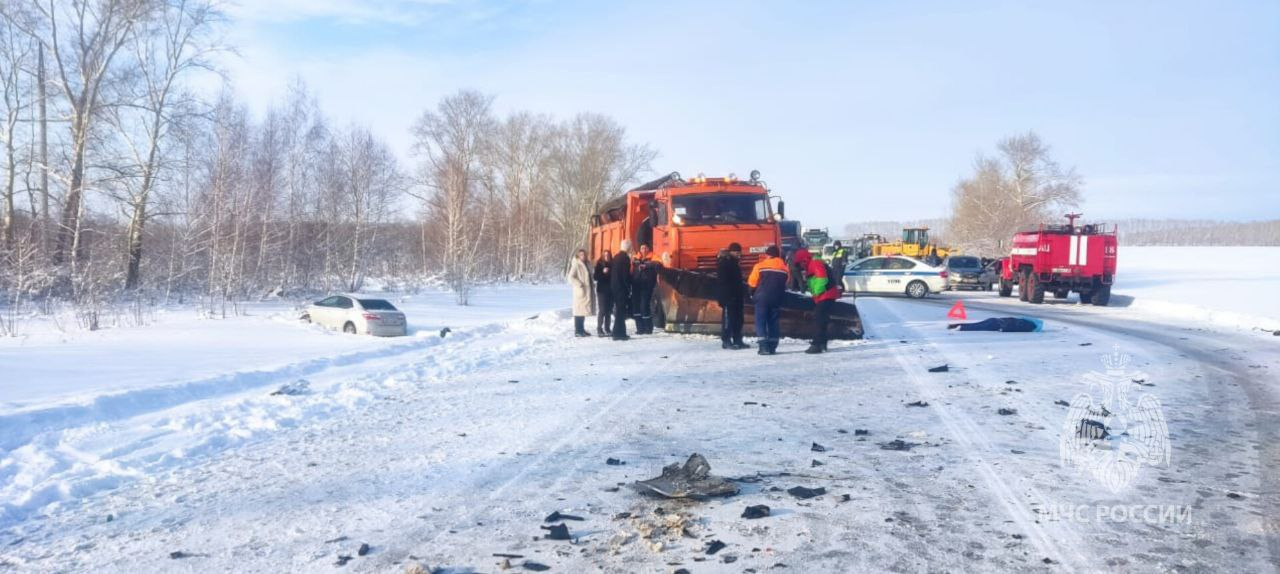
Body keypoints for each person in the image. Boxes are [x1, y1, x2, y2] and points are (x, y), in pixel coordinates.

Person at [792, 249, 842, 353]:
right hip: (826, 295)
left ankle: (817, 344)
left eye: (800, 263)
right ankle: (822, 343)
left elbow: (822, 278)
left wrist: (816, 293)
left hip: (826, 294)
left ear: (805, 260)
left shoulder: (815, 263)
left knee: (818, 318)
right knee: (822, 318)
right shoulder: (812, 264)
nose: (800, 266)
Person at [747, 245, 789, 355]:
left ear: (767, 255)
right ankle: (772, 346)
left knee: (761, 321)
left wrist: (751, 293)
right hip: (777, 298)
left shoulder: (760, 266)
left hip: (762, 297)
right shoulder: (785, 268)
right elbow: (786, 283)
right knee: (773, 321)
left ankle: (763, 347)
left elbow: (752, 282)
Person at [716, 242, 748, 350]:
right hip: (728, 297)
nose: (739, 254)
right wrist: (727, 296)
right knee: (728, 319)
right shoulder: (724, 263)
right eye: (737, 252)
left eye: (740, 252)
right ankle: (726, 340)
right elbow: (723, 282)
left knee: (738, 319)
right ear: (731, 252)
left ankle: (737, 339)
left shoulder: (734, 263)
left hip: (737, 296)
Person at [631, 244, 659, 334]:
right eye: (642, 248)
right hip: (636, 285)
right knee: (636, 308)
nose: (643, 249)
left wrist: (647, 265)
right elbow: (630, 270)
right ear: (639, 249)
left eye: (645, 247)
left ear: (648, 248)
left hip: (647, 286)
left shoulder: (653, 257)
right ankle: (640, 329)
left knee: (644, 306)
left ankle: (648, 328)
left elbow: (659, 264)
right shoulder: (634, 258)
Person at [566, 249, 594, 337]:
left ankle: (582, 329)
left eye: (584, 254)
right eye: (581, 255)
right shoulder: (576, 265)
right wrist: (579, 284)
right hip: (580, 291)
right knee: (578, 311)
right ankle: (578, 331)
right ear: (578, 256)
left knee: (583, 311)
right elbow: (570, 277)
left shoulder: (588, 264)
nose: (583, 256)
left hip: (587, 291)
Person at [610, 240, 633, 340]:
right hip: (622, 289)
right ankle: (618, 333)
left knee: (619, 310)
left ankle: (619, 332)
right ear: (628, 248)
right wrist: (629, 288)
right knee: (621, 311)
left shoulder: (616, 257)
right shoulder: (625, 258)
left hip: (615, 287)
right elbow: (625, 276)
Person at [593, 250, 613, 336]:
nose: (606, 257)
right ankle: (599, 329)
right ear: (602, 256)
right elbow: (595, 277)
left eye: (608, 255)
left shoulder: (613, 264)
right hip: (601, 291)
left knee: (608, 310)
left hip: (610, 290)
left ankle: (607, 328)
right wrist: (603, 272)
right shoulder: (599, 264)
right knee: (602, 310)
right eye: (605, 255)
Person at [948, 317, 1044, 332]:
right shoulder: (1029, 326)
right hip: (997, 325)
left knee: (977, 324)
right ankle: (961, 327)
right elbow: (1013, 327)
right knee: (978, 327)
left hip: (996, 320)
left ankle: (957, 325)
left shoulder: (1027, 321)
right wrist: (1003, 330)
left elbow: (1012, 320)